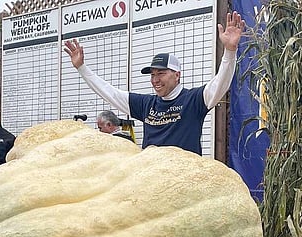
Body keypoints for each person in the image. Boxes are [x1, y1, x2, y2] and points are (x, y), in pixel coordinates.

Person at [63, 11, 245, 155]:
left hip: (184, 183)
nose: (155, 80)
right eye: (152, 74)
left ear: (177, 75)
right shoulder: (145, 104)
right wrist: (82, 68)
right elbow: (108, 91)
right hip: (151, 183)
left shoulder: (194, 100)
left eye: (161, 73)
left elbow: (221, 83)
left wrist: (229, 51)